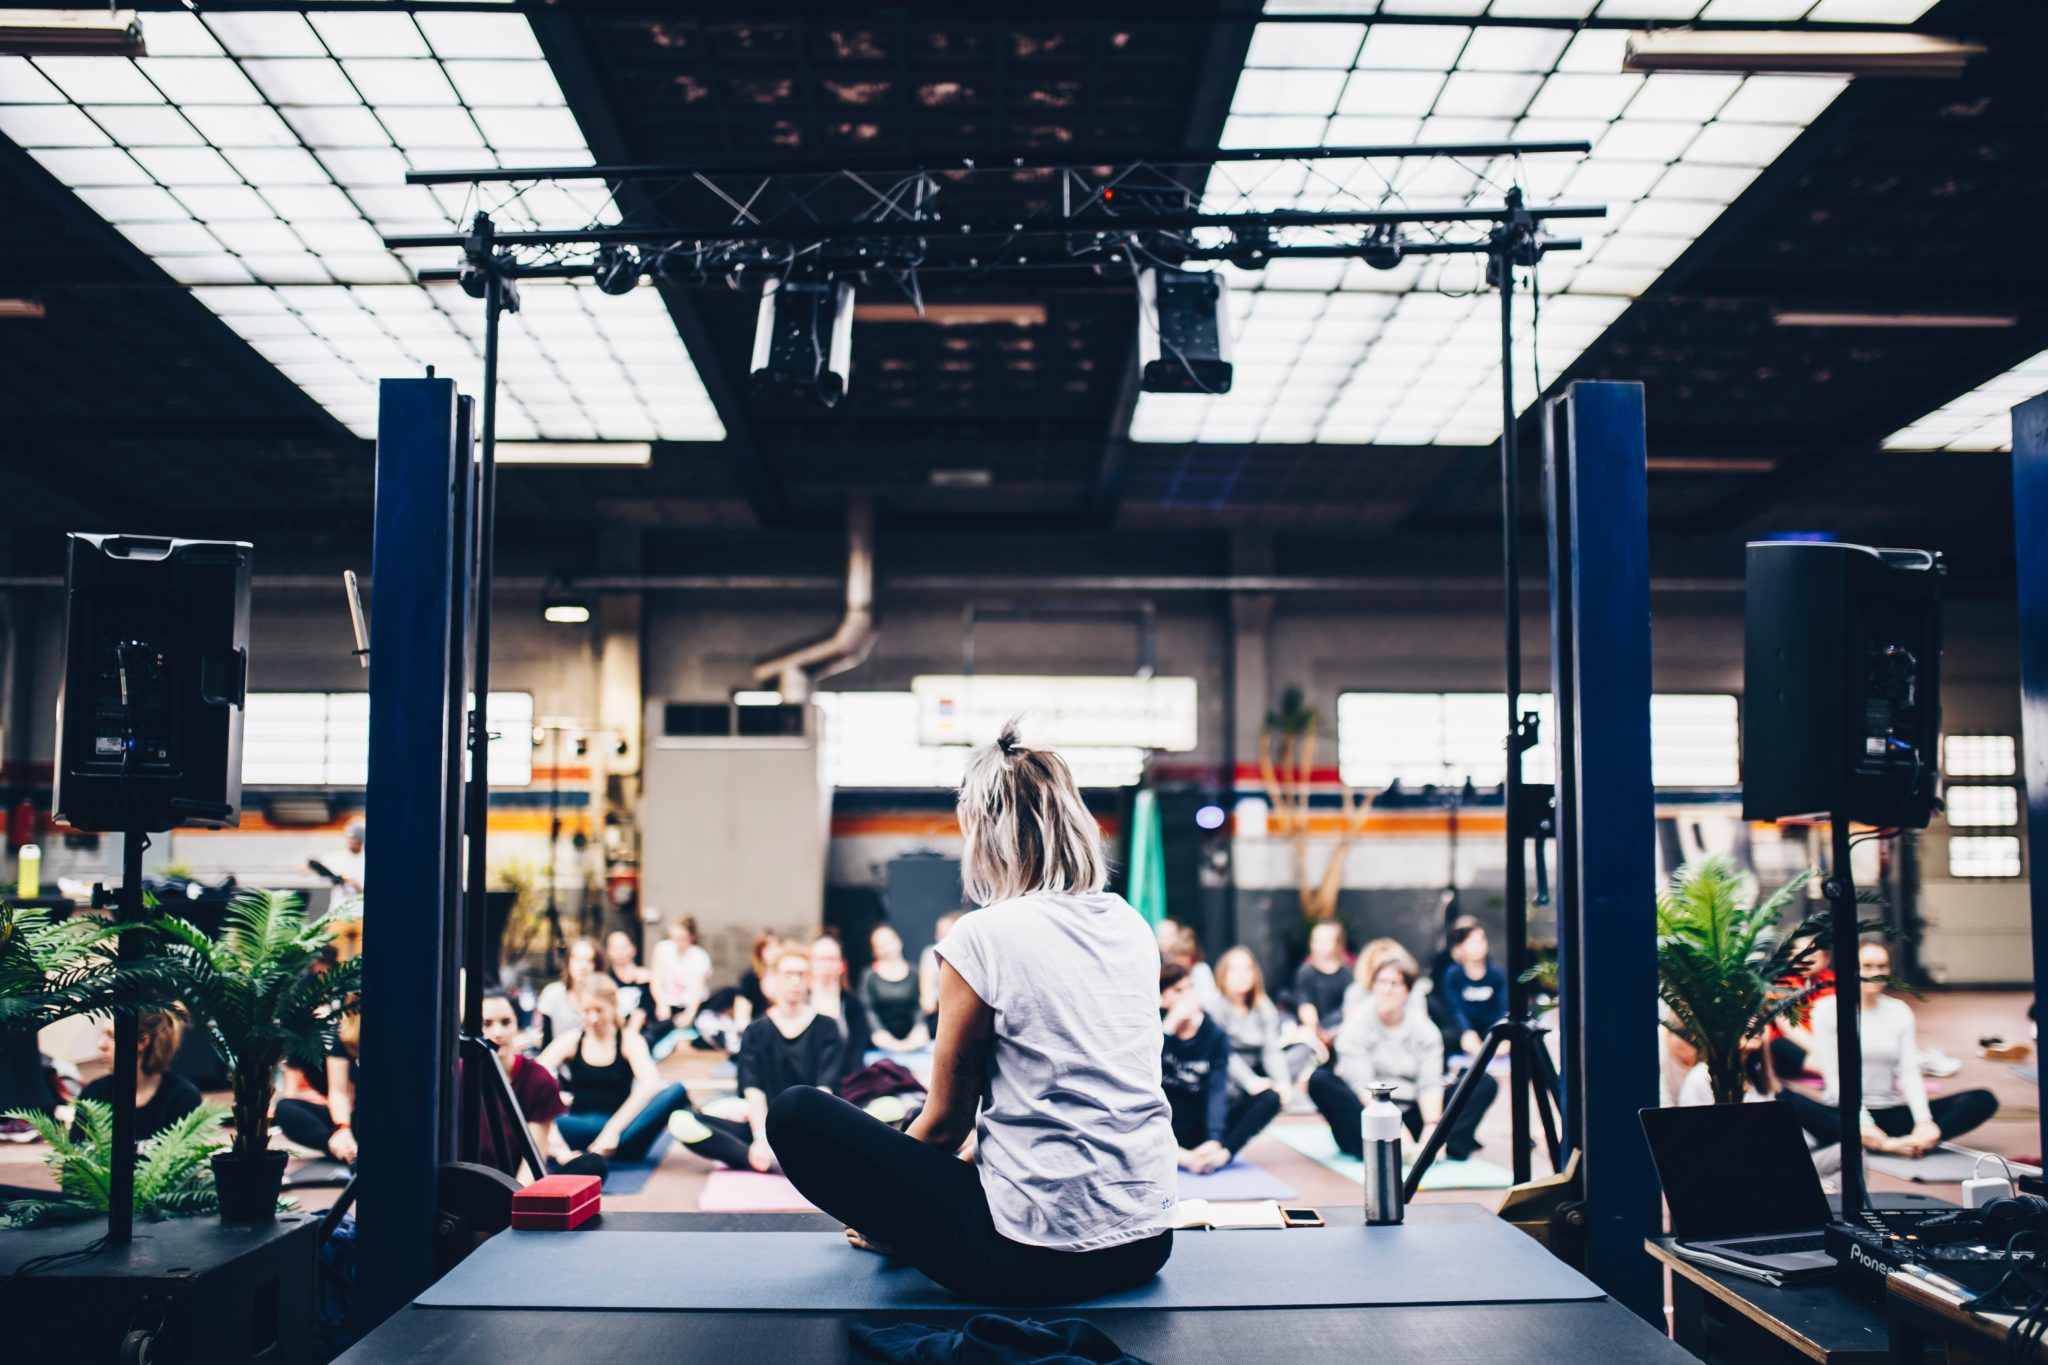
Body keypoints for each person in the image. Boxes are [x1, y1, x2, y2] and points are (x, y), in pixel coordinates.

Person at [767, 721, 1175, 1306]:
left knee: (798, 1113)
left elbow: (945, 1127)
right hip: (1146, 1241)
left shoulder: (980, 936)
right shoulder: (1131, 925)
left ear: (985, 832)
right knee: (903, 1115)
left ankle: (896, 1236)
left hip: (1031, 1259)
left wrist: (891, 1217)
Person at [1789, 937, 1998, 1153]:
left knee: (1982, 1099)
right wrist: (1864, 1125)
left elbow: (1909, 1072)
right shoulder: (1826, 1010)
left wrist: (1923, 1122)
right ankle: (1880, 1143)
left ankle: (1919, 1142)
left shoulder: (1900, 1011)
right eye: (1867, 966)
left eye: (1882, 966)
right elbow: (1835, 1076)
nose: (1875, 973)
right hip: (1843, 1115)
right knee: (1785, 1100)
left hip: (1888, 1113)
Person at [1308, 945, 1495, 1162]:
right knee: (1321, 1080)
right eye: (1381, 983)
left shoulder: (1424, 1028)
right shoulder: (1356, 1025)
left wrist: (1432, 1128)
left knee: (1482, 1081)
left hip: (1414, 1111)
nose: (1387, 990)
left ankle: (1435, 1144)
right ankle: (1390, 1147)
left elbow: (1429, 1081)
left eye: (1394, 984)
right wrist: (1394, 1131)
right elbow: (1361, 1083)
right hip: (1371, 1115)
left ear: (1408, 990)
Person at [538, 976, 692, 1162]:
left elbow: (649, 1084)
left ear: (613, 1006)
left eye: (599, 1010)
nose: (593, 1018)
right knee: (536, 1119)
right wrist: (555, 1108)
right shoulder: (572, 1040)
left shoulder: (629, 1040)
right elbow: (533, 1077)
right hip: (579, 1126)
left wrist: (612, 1131)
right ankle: (577, 1154)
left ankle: (601, 1152)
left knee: (677, 1090)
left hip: (624, 1129)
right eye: (586, 1011)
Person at [1160, 962, 1281, 1173]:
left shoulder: (1213, 1034)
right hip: (1162, 1128)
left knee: (1270, 1098)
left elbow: (1216, 1090)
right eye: (1179, 991)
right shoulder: (1155, 1029)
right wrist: (1168, 1029)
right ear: (1162, 998)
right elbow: (1143, 1078)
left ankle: (1218, 1156)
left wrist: (1215, 1139)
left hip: (1199, 1126)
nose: (1188, 996)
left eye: (1190, 988)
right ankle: (1184, 1158)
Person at [475, 988, 581, 1177]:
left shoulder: (538, 1079)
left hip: (516, 1188)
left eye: (506, 1022)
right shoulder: (457, 1076)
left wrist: (513, 1203)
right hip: (467, 1186)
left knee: (591, 1166)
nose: (497, 1032)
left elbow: (531, 1162)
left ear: (518, 1025)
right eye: (486, 1024)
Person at [1214, 946, 1320, 1107]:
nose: (1242, 975)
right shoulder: (1216, 1006)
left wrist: (1283, 1082)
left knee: (1302, 1051)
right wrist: (1250, 1081)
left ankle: (1271, 1089)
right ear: (1223, 975)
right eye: (1235, 969)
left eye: (1248, 969)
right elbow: (1222, 1054)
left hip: (1260, 1064)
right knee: (1222, 1082)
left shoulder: (1263, 1006)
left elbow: (1271, 1049)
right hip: (1230, 1069)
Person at [77, 1010, 202, 1142]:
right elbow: (74, 1155)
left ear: (142, 1041)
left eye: (112, 1036)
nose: (101, 1045)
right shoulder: (94, 1094)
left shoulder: (182, 1098)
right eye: (102, 1035)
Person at [274, 1011, 362, 1163]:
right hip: (356, 1122)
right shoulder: (344, 1036)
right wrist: (343, 1128)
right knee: (285, 1108)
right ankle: (341, 1148)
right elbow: (338, 1092)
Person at [1435, 917, 1508, 1058]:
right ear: (1461, 946)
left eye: (1481, 939)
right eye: (1472, 941)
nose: (1478, 945)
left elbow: (1502, 1007)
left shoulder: (1497, 974)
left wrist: (1502, 1035)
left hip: (1493, 1029)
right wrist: (1466, 1032)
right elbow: (1455, 1009)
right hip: (1465, 1030)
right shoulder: (1453, 974)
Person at [809, 931, 873, 1083]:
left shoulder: (853, 1005)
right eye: (821, 959)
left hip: (845, 1084)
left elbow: (858, 1052)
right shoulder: (798, 1000)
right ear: (810, 962)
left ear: (841, 964)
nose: (827, 965)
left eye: (832, 959)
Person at [1767, 937, 1831, 1081]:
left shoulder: (1833, 982)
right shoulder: (1779, 983)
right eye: (1799, 954)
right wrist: (1823, 1053)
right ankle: (1833, 1072)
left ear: (1826, 958)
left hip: (1829, 1045)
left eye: (1812, 954)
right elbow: (1789, 1027)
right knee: (1780, 1046)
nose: (1805, 959)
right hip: (1795, 1046)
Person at [862, 923, 931, 1055]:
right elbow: (868, 1010)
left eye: (890, 941)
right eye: (881, 945)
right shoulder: (868, 976)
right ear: (874, 951)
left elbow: (920, 1007)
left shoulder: (915, 973)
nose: (888, 947)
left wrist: (916, 1035)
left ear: (898, 941)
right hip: (880, 1046)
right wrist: (885, 1039)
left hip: (916, 1043)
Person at [649, 916, 711, 1055]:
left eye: (682, 938)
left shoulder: (699, 956)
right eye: (674, 938)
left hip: (692, 1006)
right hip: (668, 1004)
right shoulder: (662, 948)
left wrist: (690, 1013)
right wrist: (661, 1003)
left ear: (692, 937)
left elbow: (697, 990)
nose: (678, 943)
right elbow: (656, 980)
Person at [534, 937, 601, 1048]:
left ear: (597, 965)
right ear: (568, 961)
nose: (583, 966)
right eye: (578, 959)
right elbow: (544, 1041)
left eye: (590, 961)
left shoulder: (604, 997)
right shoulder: (552, 994)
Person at [1292, 920, 1351, 1045]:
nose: (1319, 946)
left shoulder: (1347, 973)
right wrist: (1317, 1030)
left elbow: (1350, 1008)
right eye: (1315, 941)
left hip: (1341, 1028)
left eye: (1325, 941)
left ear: (1338, 944)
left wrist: (1337, 1032)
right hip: (1317, 1030)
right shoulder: (1306, 972)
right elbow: (1305, 1004)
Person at [1160, 920, 1222, 1014]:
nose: (1181, 969)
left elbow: (1209, 1002)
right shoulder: (1168, 972)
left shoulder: (1200, 970)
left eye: (1185, 965)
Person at [918, 911, 962, 1031]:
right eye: (939, 933)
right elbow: (928, 1003)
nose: (941, 938)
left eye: (946, 934)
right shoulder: (930, 954)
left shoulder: (968, 955)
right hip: (940, 1014)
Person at [605, 929, 653, 1036]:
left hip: (644, 1032)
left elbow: (645, 1009)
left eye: (624, 947)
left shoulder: (646, 977)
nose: (620, 952)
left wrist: (631, 1036)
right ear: (608, 952)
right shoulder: (605, 980)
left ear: (633, 949)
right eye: (615, 948)